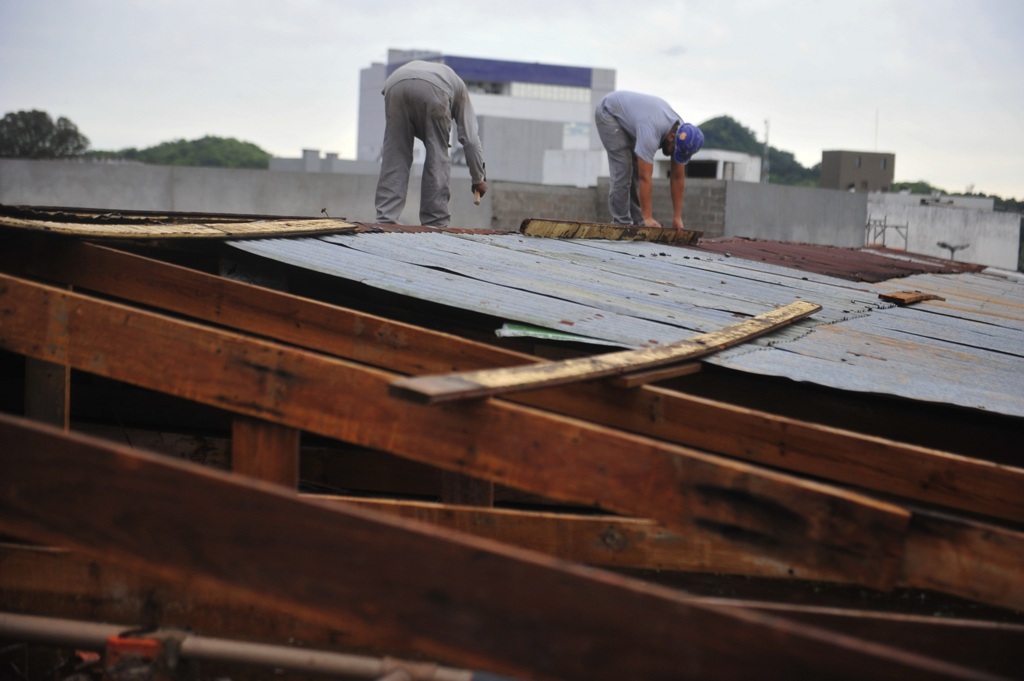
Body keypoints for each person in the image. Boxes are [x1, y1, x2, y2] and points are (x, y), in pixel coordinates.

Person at [374, 60, 488, 227]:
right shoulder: (460, 90)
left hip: (395, 83)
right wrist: (479, 178)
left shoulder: (446, 79)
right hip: (436, 90)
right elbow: (470, 140)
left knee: (395, 155)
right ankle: (435, 222)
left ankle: (385, 219)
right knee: (437, 156)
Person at [594, 91, 704, 231]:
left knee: (634, 167)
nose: (672, 155)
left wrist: (677, 217)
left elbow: (677, 178)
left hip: (634, 118)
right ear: (671, 137)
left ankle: (637, 221)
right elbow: (644, 177)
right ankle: (621, 223)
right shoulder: (651, 131)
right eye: (673, 150)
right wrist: (648, 217)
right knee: (624, 168)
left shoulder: (683, 134)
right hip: (609, 112)